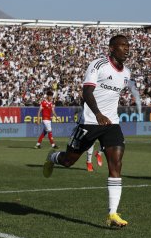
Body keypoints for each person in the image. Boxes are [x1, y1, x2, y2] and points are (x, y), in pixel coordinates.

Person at [43, 35, 133, 227]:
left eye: (127, 46)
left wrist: (106, 115)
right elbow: (87, 92)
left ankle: (113, 213)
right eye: (122, 45)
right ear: (111, 48)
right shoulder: (98, 65)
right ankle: (52, 157)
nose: (126, 49)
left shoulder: (127, 73)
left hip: (111, 123)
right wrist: (98, 113)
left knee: (116, 163)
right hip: (90, 122)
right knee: (69, 161)